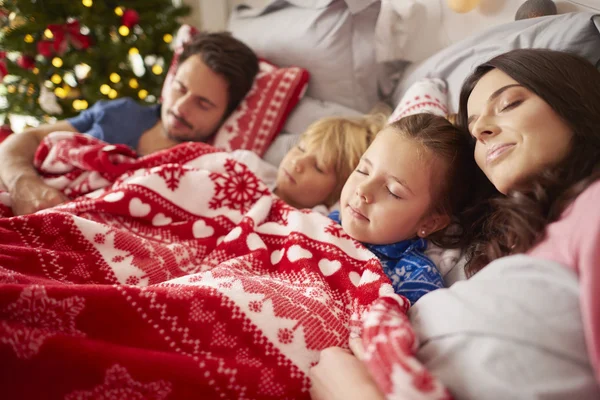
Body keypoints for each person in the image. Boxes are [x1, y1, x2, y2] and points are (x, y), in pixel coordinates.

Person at [309, 49, 600, 399]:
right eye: (474, 128)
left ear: (575, 102)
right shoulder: (527, 241)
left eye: (508, 104)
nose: (479, 128)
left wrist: (355, 393)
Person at [0, 31, 259, 216]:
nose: (180, 108)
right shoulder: (120, 113)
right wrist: (24, 184)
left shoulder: (212, 168)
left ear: (228, 113)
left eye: (203, 104)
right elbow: (23, 140)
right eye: (179, 88)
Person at [329, 113, 473, 304]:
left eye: (393, 191)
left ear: (429, 223)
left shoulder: (414, 281)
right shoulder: (322, 221)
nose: (362, 190)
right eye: (363, 170)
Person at [230, 113, 387, 213]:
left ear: (338, 192)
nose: (297, 162)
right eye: (301, 148)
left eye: (318, 167)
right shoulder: (247, 167)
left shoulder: (316, 221)